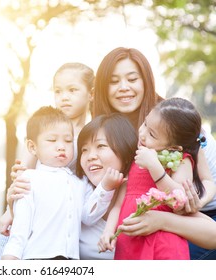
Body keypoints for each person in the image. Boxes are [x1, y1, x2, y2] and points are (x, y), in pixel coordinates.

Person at [92, 47, 216, 259]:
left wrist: (198, 200)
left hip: (200, 214)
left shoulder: (175, 122)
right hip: (147, 214)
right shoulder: (108, 130)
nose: (124, 87)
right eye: (114, 81)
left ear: (146, 82)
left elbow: (206, 181)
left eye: (132, 79)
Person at [0, 62, 95, 260]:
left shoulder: (91, 133)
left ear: (90, 94)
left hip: (66, 223)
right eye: (58, 91)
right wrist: (10, 211)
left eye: (73, 90)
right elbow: (22, 176)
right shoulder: (43, 131)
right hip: (35, 214)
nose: (64, 97)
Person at [1, 106, 118, 260]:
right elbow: (20, 227)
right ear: (32, 147)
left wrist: (105, 188)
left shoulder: (80, 181)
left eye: (68, 140)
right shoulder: (29, 179)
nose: (61, 146)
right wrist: (10, 259)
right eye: (52, 140)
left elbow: (88, 217)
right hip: (37, 258)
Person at [99, 97, 206, 259]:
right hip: (130, 243)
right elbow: (118, 204)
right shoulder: (137, 158)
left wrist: (155, 167)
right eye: (145, 124)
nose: (142, 134)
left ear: (173, 147)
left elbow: (180, 198)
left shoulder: (179, 161)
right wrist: (108, 231)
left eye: (152, 134)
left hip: (163, 245)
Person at [75, 113, 137, 259]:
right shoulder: (77, 189)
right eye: (84, 150)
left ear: (125, 150)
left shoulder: (143, 195)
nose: (90, 156)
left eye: (101, 146)